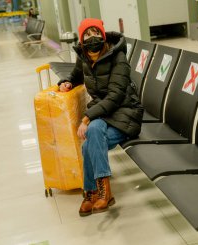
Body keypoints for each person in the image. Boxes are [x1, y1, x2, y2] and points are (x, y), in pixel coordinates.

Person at [58, 18, 143, 217]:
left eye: (96, 32)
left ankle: (94, 191)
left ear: (103, 35)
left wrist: (86, 118)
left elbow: (115, 97)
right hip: (103, 114)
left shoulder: (117, 56)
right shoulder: (84, 57)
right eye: (87, 34)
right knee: (91, 138)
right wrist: (66, 82)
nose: (92, 37)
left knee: (91, 134)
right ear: (81, 39)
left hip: (124, 113)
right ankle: (101, 193)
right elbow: (76, 76)